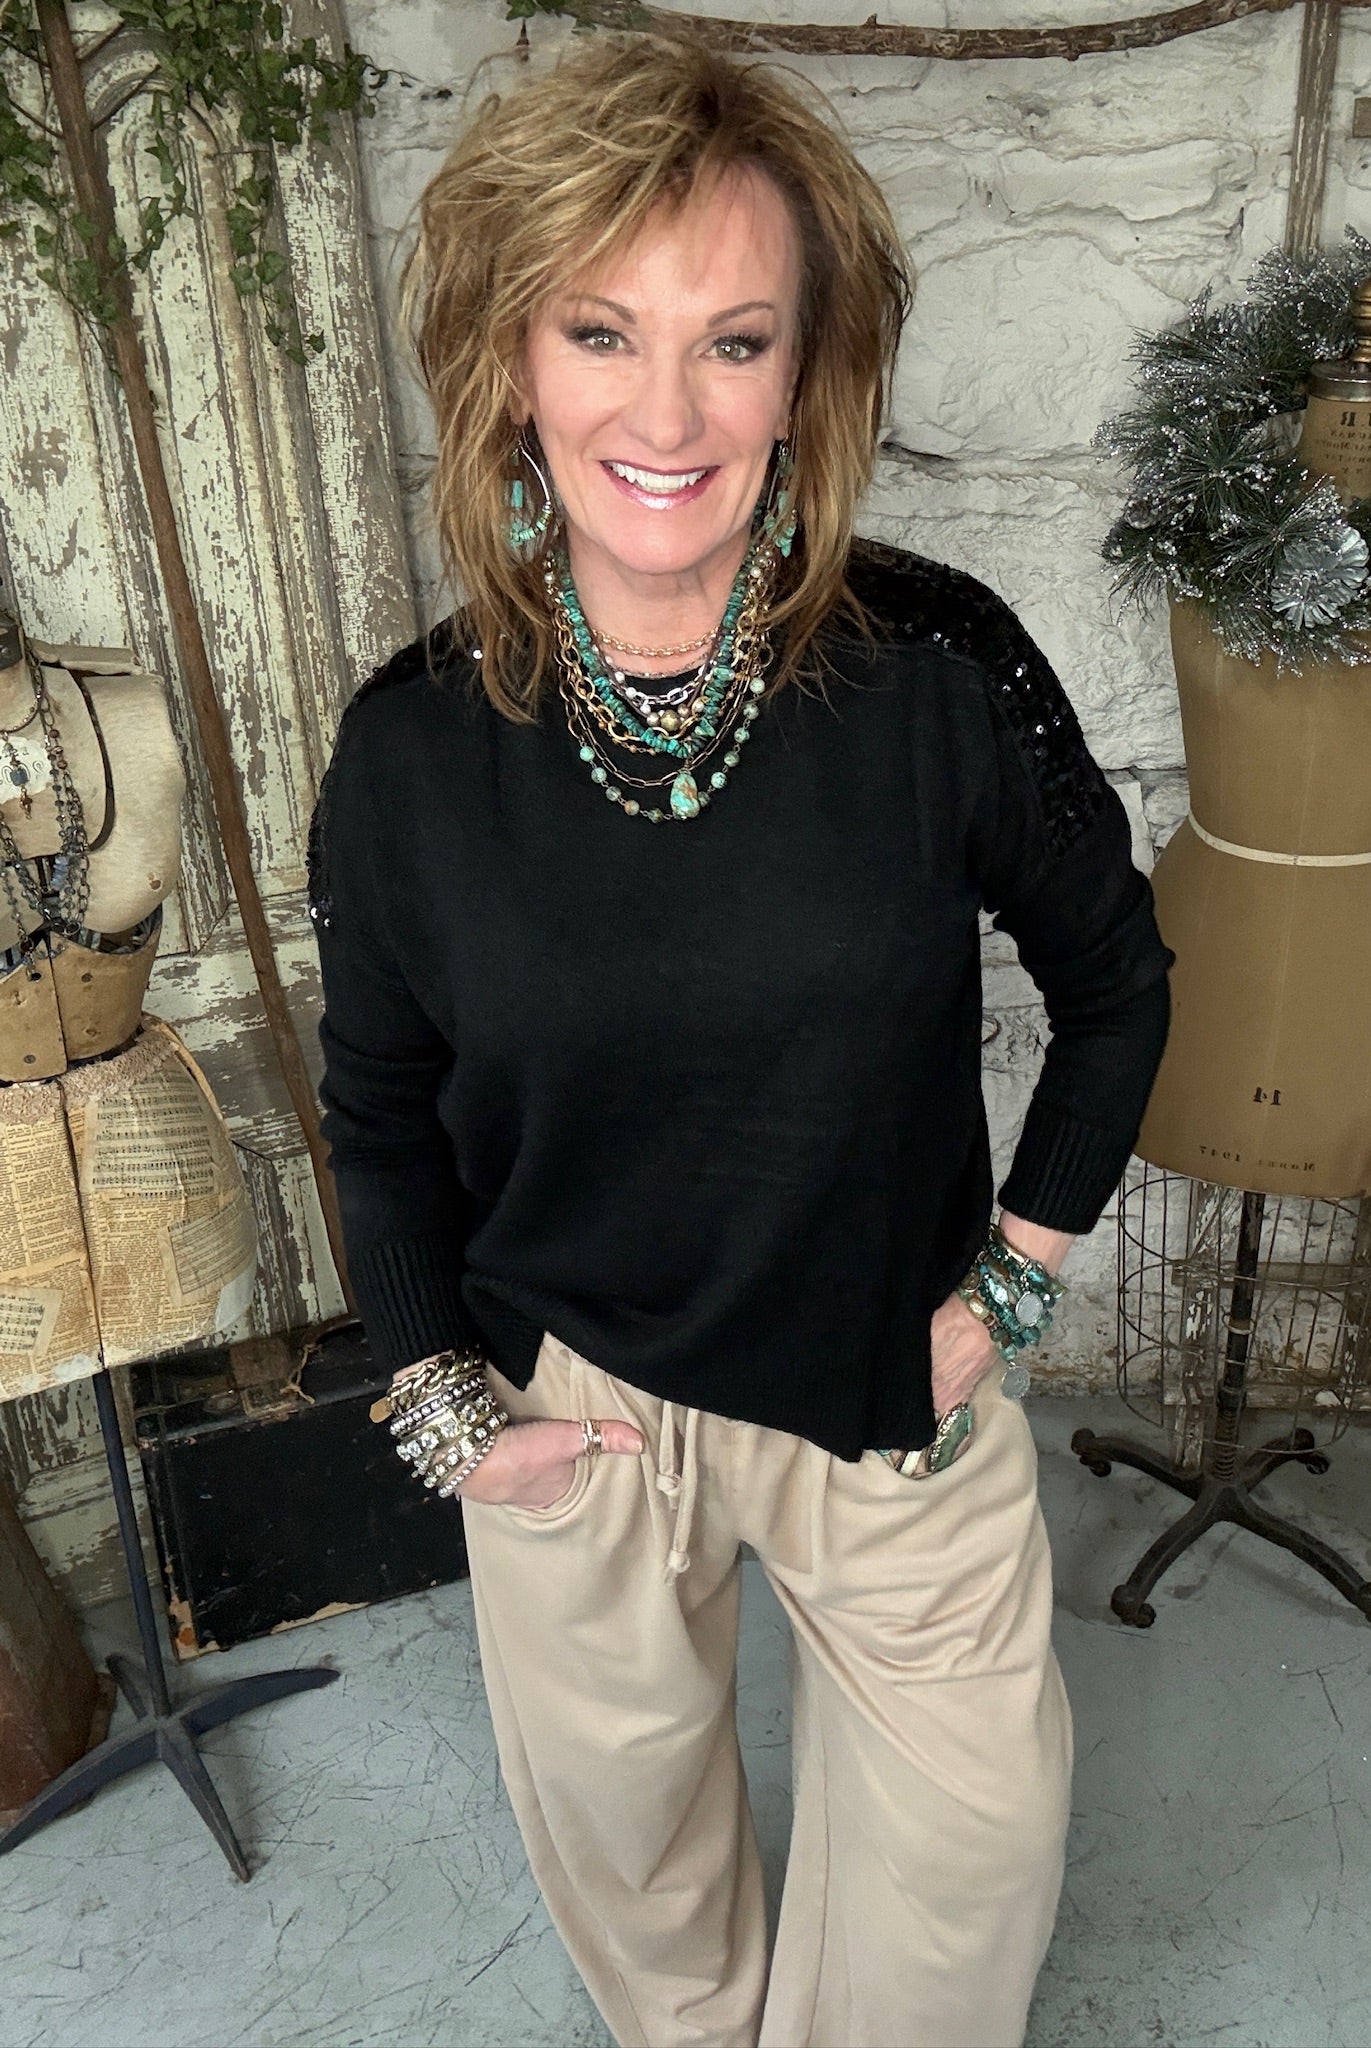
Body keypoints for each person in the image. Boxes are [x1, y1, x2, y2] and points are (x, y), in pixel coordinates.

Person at [307, 29, 1173, 2048]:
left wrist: (1011, 1287)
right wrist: (451, 1408)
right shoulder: (411, 752)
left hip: (893, 1372)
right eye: (602, 332)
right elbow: (381, 1114)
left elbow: (1120, 981)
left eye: (736, 340)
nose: (668, 412)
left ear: (808, 371)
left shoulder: (938, 668)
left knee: (963, 1876)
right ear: (512, 360)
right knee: (652, 1910)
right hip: (582, 1405)